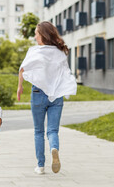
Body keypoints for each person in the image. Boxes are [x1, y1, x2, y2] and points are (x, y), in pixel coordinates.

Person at [17, 21, 77, 175]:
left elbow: (23, 69)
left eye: (37, 33)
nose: (35, 36)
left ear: (42, 34)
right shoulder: (60, 52)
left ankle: (41, 165)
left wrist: (20, 87)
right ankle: (54, 148)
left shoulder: (35, 51)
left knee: (38, 131)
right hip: (56, 95)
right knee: (52, 130)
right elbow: (65, 72)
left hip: (38, 94)